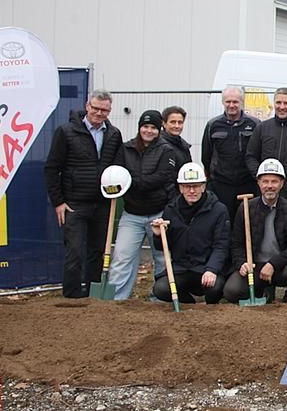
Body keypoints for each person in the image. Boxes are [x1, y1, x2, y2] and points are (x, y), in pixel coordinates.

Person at [44, 89, 125, 298]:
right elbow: (52, 168)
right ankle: (71, 295)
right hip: (75, 203)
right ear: (87, 106)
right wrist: (59, 202)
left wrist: (114, 194)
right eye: (96, 108)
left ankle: (92, 295)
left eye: (104, 110)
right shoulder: (66, 132)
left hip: (102, 203)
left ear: (110, 110)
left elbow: (117, 167)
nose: (99, 113)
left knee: (97, 252)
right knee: (75, 252)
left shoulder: (113, 134)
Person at [107, 110, 177, 299]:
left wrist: (133, 182)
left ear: (159, 129)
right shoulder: (126, 148)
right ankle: (117, 300)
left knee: (162, 259)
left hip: (159, 214)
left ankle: (160, 299)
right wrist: (132, 183)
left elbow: (162, 177)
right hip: (131, 214)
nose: (149, 131)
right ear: (139, 128)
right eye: (145, 126)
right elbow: (118, 174)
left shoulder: (166, 150)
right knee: (122, 258)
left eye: (153, 127)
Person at [224, 158, 287, 304]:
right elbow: (237, 243)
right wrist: (241, 263)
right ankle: (263, 292)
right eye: (265, 181)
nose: (269, 186)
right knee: (232, 291)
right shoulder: (246, 208)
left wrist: (272, 264)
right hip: (255, 266)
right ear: (258, 183)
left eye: (274, 181)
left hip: (281, 266)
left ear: (282, 184)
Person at [151, 162, 228, 304]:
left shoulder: (218, 210)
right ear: (180, 188)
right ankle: (189, 305)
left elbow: (221, 245)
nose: (192, 191)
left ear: (203, 187)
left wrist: (211, 269)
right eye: (187, 186)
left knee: (215, 288)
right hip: (181, 269)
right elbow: (162, 247)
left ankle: (211, 308)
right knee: (161, 289)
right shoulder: (171, 210)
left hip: (205, 268)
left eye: (196, 186)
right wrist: (158, 235)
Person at [203, 86, 260, 212]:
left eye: (235, 102)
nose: (231, 105)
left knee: (246, 221)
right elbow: (206, 155)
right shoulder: (213, 125)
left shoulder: (254, 124)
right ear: (223, 102)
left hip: (247, 183)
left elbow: (259, 152)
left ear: (242, 102)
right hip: (221, 184)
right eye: (228, 101)